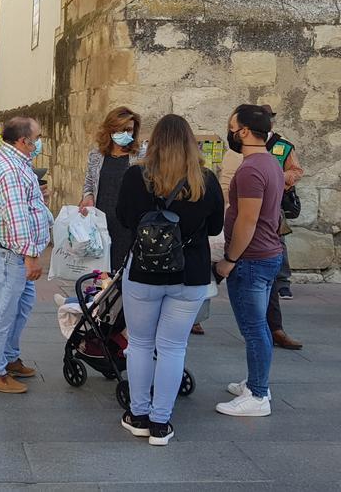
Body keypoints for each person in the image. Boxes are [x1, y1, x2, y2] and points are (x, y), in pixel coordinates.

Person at [115, 114, 223, 444]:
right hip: (189, 274)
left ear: (155, 142)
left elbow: (123, 218)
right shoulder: (205, 180)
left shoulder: (136, 176)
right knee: (173, 347)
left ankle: (139, 414)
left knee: (140, 345)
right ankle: (161, 422)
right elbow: (216, 226)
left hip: (144, 272)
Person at [214, 104, 285, 418]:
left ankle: (257, 395)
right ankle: (257, 382)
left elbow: (247, 220)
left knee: (254, 329)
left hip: (252, 259)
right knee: (260, 327)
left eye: (232, 127)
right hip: (267, 255)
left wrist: (229, 259)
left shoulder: (251, 169)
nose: (230, 132)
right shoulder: (270, 163)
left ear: (243, 131)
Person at [0, 117, 52, 394]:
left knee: (20, 307)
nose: (40, 142)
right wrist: (31, 255)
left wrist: (36, 196)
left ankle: (8, 357)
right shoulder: (9, 168)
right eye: (38, 137)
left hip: (9, 253)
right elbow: (16, 216)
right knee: (3, 312)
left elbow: (20, 203)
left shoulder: (14, 162)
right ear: (24, 141)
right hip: (7, 254)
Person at [78, 106, 146, 272]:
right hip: (102, 222)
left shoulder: (142, 156)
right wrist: (87, 195)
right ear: (109, 130)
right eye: (120, 129)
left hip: (129, 225)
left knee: (124, 272)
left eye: (129, 129)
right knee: (100, 275)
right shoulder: (97, 155)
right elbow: (89, 181)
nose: (125, 134)